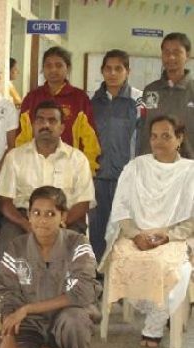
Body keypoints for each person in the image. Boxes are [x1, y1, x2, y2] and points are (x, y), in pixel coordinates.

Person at [99, 115, 194, 348]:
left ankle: (154, 324)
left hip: (174, 236)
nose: (159, 141)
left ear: (179, 139)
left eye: (166, 136)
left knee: (163, 265)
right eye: (154, 136)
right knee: (122, 259)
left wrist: (167, 236)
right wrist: (135, 235)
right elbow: (121, 209)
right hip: (135, 234)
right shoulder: (136, 167)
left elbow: (191, 219)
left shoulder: (190, 171)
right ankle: (161, 312)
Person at [0, 186, 100, 348]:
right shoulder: (16, 248)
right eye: (37, 213)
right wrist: (8, 335)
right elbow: (6, 294)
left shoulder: (78, 243)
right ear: (29, 215)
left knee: (76, 321)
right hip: (29, 324)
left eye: (51, 214)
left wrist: (27, 309)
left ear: (63, 216)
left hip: (65, 319)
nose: (42, 220)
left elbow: (82, 292)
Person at [0, 100, 95, 261]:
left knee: (77, 257)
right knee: (7, 252)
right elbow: (4, 201)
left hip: (66, 219)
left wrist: (57, 222)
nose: (45, 125)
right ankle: (16, 287)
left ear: (62, 127)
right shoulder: (14, 157)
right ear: (33, 125)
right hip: (23, 219)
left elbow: (83, 203)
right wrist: (27, 224)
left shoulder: (78, 159)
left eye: (52, 121)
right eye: (40, 120)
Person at [89, 50, 142, 262]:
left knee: (124, 228)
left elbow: (142, 139)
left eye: (118, 68)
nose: (112, 73)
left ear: (128, 71)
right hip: (98, 177)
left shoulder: (138, 101)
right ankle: (97, 276)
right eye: (108, 68)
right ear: (102, 71)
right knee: (97, 229)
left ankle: (122, 275)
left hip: (127, 177)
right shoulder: (92, 102)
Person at [16, 46, 100, 175]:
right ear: (43, 69)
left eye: (59, 65)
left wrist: (87, 171)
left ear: (68, 68)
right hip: (35, 168)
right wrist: (22, 165)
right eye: (48, 65)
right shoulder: (32, 97)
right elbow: (22, 137)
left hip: (70, 168)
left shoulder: (79, 98)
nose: (53, 69)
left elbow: (90, 140)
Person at [138, 32, 194, 158]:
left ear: (188, 55)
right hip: (153, 165)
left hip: (188, 167)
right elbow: (143, 129)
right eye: (166, 52)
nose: (171, 57)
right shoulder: (150, 90)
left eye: (177, 52)